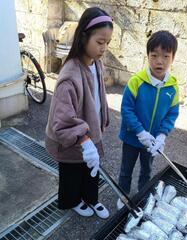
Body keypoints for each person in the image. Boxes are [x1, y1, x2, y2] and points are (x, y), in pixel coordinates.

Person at [45, 7, 113, 219]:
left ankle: (91, 199)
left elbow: (97, 98)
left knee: (91, 169)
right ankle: (73, 201)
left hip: (90, 132)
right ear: (83, 37)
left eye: (107, 43)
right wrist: (84, 140)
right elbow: (62, 120)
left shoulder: (96, 64)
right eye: (99, 42)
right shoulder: (69, 75)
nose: (104, 48)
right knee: (72, 172)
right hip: (73, 138)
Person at [117, 30, 179, 209]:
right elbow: (126, 109)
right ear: (148, 56)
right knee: (126, 170)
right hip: (131, 138)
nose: (159, 61)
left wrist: (161, 136)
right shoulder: (136, 81)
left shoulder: (173, 87)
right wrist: (139, 131)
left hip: (152, 143)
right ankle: (123, 197)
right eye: (154, 55)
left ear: (172, 58)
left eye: (165, 56)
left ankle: (143, 197)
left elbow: (172, 114)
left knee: (147, 171)